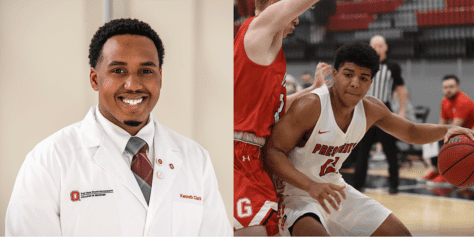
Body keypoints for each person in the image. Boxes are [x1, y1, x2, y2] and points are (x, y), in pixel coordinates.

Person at [5, 18, 232, 236]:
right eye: (118, 71)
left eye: (146, 71)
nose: (133, 85)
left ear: (160, 78)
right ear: (95, 79)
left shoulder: (196, 160)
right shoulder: (49, 161)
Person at [262, 42, 474, 236]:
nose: (355, 83)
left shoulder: (372, 109)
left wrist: (448, 129)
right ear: (335, 74)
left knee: (400, 234)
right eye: (348, 74)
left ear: (370, 82)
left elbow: (411, 131)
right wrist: (310, 186)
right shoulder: (310, 106)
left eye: (363, 78)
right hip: (294, 194)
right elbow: (272, 151)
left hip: (334, 188)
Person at [234, 0, 331, 235]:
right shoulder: (258, 29)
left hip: (254, 158)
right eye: (296, 11)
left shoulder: (268, 50)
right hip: (238, 154)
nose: (298, 18)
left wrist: (312, 89)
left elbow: (273, 108)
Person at [348, 35, 409, 194]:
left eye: (380, 46)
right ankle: (357, 185)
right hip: (365, 110)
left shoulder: (392, 67)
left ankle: (394, 184)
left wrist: (402, 109)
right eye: (374, 46)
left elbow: (401, 89)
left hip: (384, 110)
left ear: (386, 47)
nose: (377, 49)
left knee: (390, 150)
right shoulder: (362, 66)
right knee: (362, 150)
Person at [419, 75, 474, 186]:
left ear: (458, 87)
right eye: (445, 87)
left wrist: (442, 135)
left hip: (470, 134)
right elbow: (441, 126)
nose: (448, 90)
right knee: (432, 137)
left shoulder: (463, 101)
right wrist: (433, 135)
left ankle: (446, 174)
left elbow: (454, 128)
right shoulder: (444, 101)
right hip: (461, 133)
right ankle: (435, 170)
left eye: (451, 87)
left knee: (444, 140)